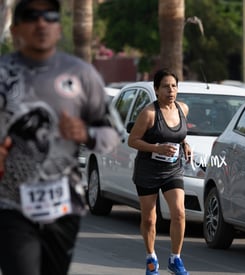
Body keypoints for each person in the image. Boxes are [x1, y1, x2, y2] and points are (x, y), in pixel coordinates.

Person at [0, 0, 122, 274]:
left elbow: (113, 135)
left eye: (50, 16)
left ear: (58, 29)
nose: (41, 23)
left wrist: (87, 133)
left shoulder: (81, 74)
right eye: (32, 16)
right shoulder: (3, 74)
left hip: (63, 205)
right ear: (16, 28)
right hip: (10, 203)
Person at [128, 68, 192, 275]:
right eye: (165, 86)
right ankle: (151, 258)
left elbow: (179, 133)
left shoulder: (183, 109)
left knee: (179, 213)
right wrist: (156, 148)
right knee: (149, 218)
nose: (170, 90)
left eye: (174, 86)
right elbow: (133, 140)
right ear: (156, 90)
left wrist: (185, 143)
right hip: (148, 171)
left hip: (173, 169)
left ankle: (175, 258)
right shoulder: (149, 113)